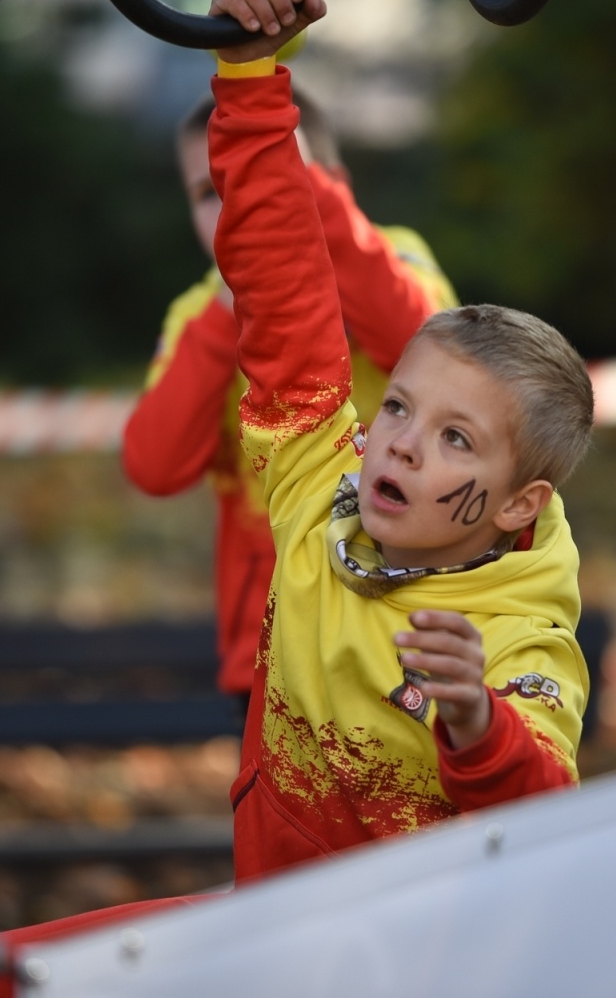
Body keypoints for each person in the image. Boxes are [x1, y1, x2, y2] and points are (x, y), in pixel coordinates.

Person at [206, 0, 593, 880]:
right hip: (279, 937)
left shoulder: (517, 638)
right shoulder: (316, 487)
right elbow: (285, 296)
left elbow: (554, 823)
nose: (405, 443)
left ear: (516, 502)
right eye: (402, 409)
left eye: (457, 439)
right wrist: (252, 79)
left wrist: (474, 720)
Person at [121, 83, 456, 704]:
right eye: (208, 192)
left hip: (413, 625)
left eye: (271, 176)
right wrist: (231, 310)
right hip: (274, 652)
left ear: (334, 184)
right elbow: (154, 465)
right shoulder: (197, 314)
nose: (235, 203)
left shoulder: (393, 253)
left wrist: (297, 208)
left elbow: (431, 348)